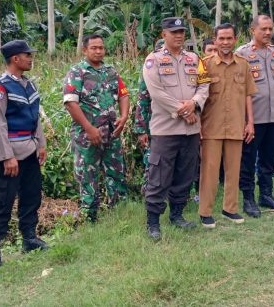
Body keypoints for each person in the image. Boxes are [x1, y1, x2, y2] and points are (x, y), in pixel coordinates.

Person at [142, 17, 210, 240]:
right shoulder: (153, 61)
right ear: (164, 35)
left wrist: (194, 104)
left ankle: (177, 215)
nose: (179, 35)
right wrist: (184, 110)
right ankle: (153, 222)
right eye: (174, 32)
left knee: (185, 174)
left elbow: (205, 84)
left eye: (181, 31)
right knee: (159, 176)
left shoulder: (195, 59)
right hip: (166, 130)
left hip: (190, 131)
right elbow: (157, 93)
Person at [0, 40, 48, 272]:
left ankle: (29, 238)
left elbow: (35, 117)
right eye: (27, 55)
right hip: (10, 155)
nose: (31, 58)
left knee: (31, 197)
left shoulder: (28, 85)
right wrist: (7, 156)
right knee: (2, 202)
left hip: (30, 151)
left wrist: (41, 144)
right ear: (15, 59)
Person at [63, 34, 129, 222]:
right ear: (85, 50)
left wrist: (123, 117)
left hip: (112, 133)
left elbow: (123, 94)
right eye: (94, 48)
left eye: (101, 47)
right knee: (87, 175)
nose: (99, 51)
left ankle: (120, 214)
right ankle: (89, 218)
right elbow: (70, 103)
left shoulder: (111, 72)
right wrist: (89, 129)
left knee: (116, 173)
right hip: (87, 136)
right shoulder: (77, 73)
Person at [198, 24, 257, 228]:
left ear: (235, 39)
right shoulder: (204, 65)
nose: (225, 42)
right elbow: (198, 97)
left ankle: (230, 209)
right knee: (210, 171)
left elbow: (248, 94)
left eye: (229, 38)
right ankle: (205, 212)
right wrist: (197, 126)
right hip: (211, 126)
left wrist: (250, 122)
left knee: (234, 169)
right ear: (214, 40)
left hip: (236, 125)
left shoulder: (243, 64)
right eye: (221, 38)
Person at [236, 15, 274, 216]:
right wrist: (244, 119)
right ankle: (248, 198)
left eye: (270, 29)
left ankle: (266, 195)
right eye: (263, 29)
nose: (268, 33)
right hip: (253, 118)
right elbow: (238, 89)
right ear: (253, 31)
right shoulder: (242, 54)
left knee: (270, 157)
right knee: (248, 159)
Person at [134, 39, 165, 190]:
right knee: (152, 159)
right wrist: (141, 129)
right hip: (154, 124)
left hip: (173, 124)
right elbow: (142, 101)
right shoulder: (150, 69)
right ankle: (149, 190)